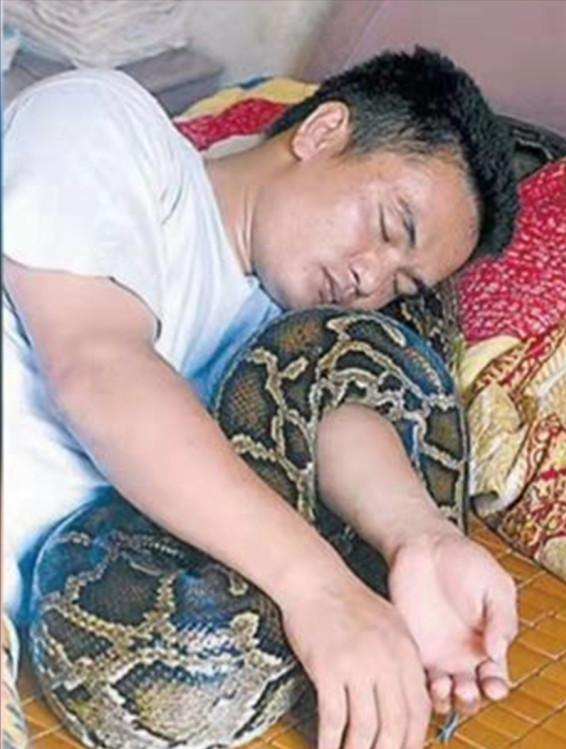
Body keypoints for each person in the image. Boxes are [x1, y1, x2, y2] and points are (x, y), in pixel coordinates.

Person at [2, 47, 519, 749]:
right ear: (322, 132)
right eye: (388, 226)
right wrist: (322, 591)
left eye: (401, 286)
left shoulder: (271, 333)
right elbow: (99, 369)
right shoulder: (106, 124)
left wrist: (422, 537)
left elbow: (335, 421)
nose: (370, 279)